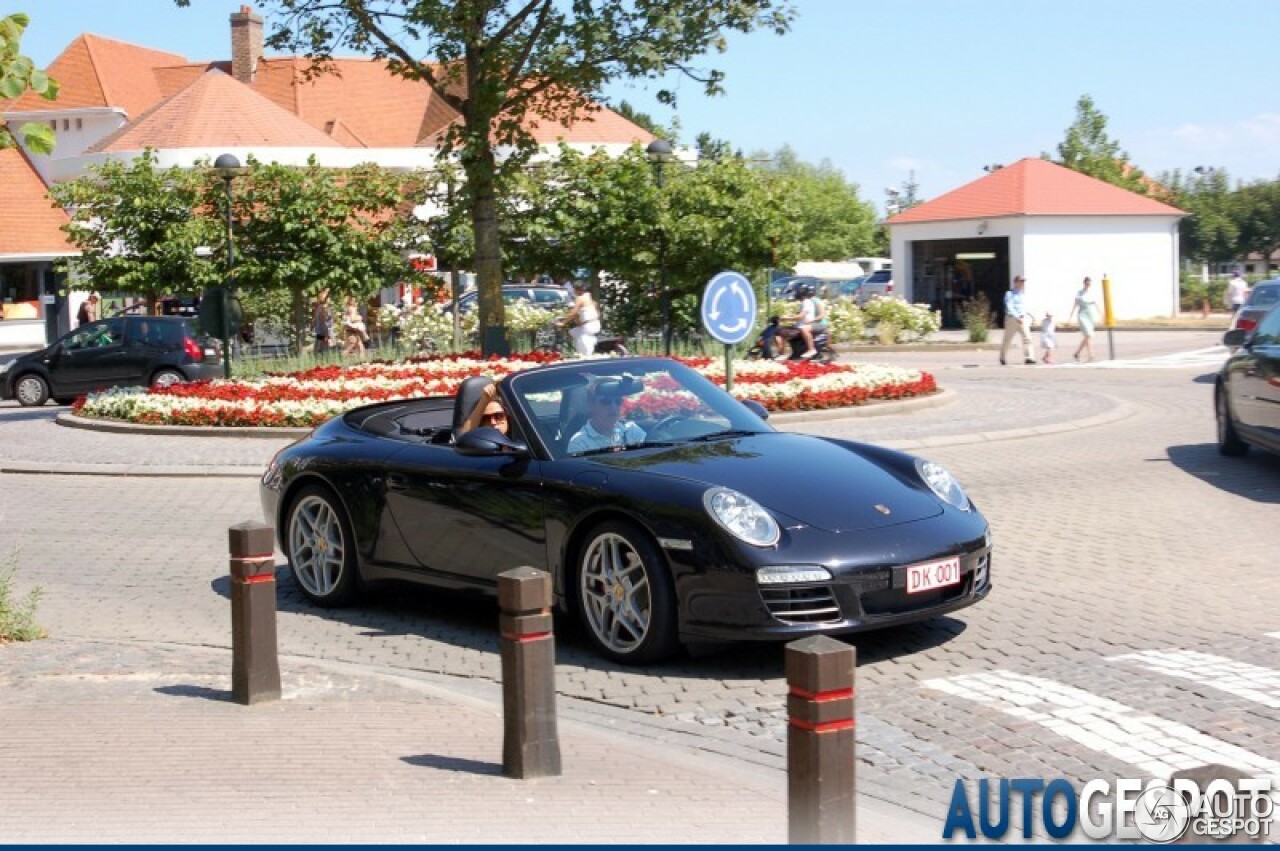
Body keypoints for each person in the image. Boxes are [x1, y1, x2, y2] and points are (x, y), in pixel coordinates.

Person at [567, 378, 646, 453]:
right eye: (606, 402)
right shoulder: (580, 443)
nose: (613, 407)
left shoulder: (632, 431)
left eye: (618, 401)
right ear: (591, 405)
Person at [557, 279, 602, 357]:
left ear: (576, 289)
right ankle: (588, 346)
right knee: (573, 332)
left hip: (588, 326)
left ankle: (584, 355)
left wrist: (563, 323)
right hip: (595, 323)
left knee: (584, 350)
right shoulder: (588, 295)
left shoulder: (580, 298)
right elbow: (595, 304)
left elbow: (573, 313)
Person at [999, 275, 1035, 365]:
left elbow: (1024, 307)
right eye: (1020, 281)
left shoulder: (1022, 294)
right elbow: (1009, 306)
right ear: (1015, 282)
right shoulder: (1009, 293)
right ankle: (1002, 357)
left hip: (1023, 319)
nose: (1022, 283)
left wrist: (1031, 315)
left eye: (1023, 281)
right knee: (1008, 339)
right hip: (1012, 319)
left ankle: (1029, 357)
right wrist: (1016, 317)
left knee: (1027, 338)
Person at [777, 284, 819, 360]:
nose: (794, 294)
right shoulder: (804, 303)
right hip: (799, 326)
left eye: (795, 292)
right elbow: (798, 316)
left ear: (800, 293)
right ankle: (782, 353)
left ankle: (811, 349)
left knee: (781, 332)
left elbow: (800, 316)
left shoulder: (807, 302)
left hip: (802, 327)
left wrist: (785, 318)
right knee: (779, 331)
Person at [1067, 276, 1100, 363]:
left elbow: (1095, 304)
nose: (1088, 284)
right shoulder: (1079, 293)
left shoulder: (1091, 293)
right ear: (1084, 283)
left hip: (1089, 315)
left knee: (1088, 336)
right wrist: (1069, 318)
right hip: (1082, 315)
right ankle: (1091, 355)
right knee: (1088, 335)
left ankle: (1077, 353)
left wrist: (1101, 314)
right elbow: (1075, 305)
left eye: (1089, 283)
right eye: (1087, 282)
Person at [313, 289, 332, 354]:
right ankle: (322, 359)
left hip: (320, 330)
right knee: (323, 345)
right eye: (328, 298)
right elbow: (323, 320)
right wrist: (326, 332)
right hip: (324, 330)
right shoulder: (323, 308)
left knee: (320, 344)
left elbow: (315, 319)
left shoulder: (319, 307)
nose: (330, 299)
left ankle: (319, 358)